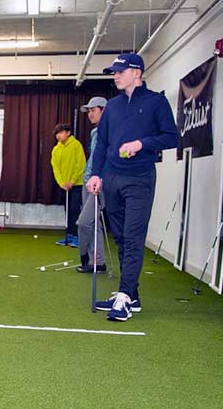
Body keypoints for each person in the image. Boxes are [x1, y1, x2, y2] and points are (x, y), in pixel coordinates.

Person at [86, 53, 179, 322]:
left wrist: (141, 144)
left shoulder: (156, 102)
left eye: (120, 71)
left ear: (136, 72)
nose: (115, 76)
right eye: (114, 72)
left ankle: (124, 296)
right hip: (112, 178)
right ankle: (132, 295)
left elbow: (171, 137)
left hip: (140, 178)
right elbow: (102, 144)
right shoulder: (113, 107)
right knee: (122, 238)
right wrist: (95, 175)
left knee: (134, 236)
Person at [75, 97, 109, 274]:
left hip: (98, 184)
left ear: (104, 110)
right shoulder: (95, 132)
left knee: (83, 223)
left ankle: (84, 257)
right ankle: (99, 262)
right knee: (94, 225)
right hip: (86, 181)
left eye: (93, 110)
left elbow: (106, 159)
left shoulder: (110, 131)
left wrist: (100, 179)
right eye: (88, 111)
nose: (90, 114)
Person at [50, 122, 85, 247]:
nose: (58, 136)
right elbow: (55, 168)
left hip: (77, 184)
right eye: (57, 134)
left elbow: (80, 165)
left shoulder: (76, 145)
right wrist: (61, 183)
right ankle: (69, 236)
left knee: (75, 210)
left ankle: (77, 236)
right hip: (64, 186)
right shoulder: (56, 149)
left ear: (68, 133)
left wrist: (72, 181)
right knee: (68, 210)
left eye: (61, 132)